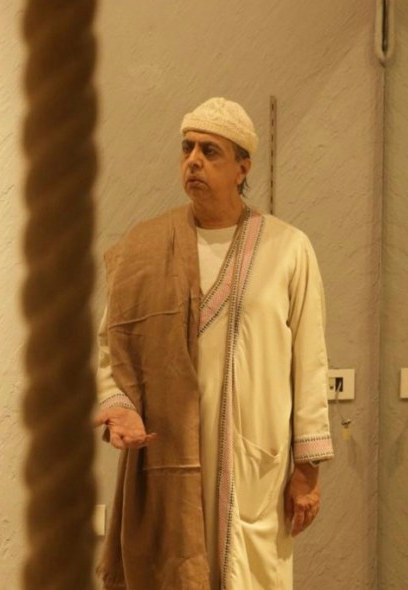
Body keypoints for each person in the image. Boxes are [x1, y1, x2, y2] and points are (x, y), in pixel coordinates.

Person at [95, 97, 334, 590]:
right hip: (167, 459)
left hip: (254, 462)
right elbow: (111, 344)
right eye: (187, 148)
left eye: (210, 151)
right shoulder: (145, 249)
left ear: (243, 167)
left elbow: (309, 362)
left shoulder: (288, 248)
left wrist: (307, 469)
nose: (193, 161)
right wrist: (119, 405)